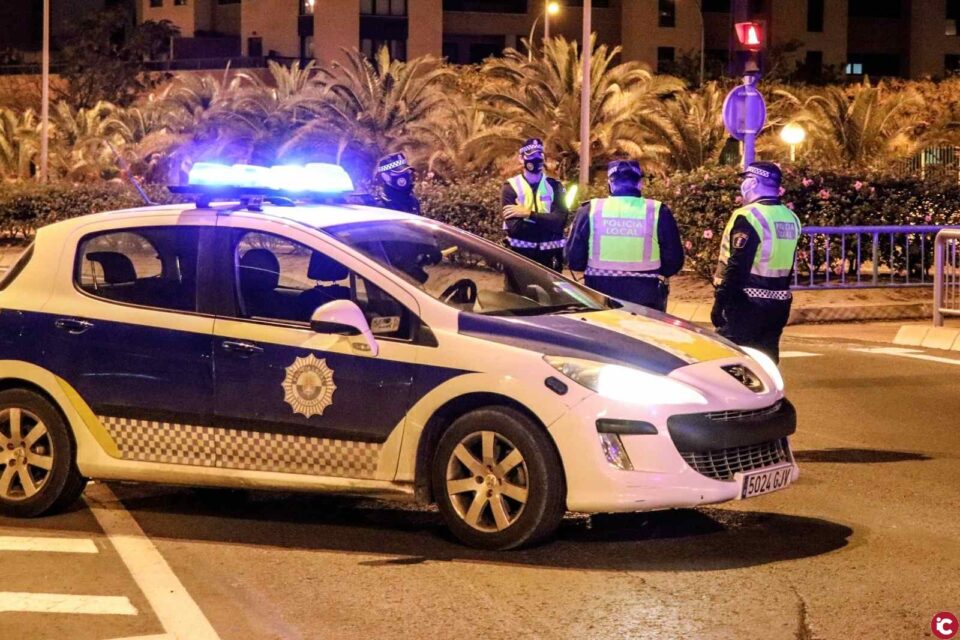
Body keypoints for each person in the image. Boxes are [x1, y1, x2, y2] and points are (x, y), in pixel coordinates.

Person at [711, 161, 802, 363]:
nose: (743, 184)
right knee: (767, 363)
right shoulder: (791, 217)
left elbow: (737, 266)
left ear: (753, 182)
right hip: (779, 303)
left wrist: (721, 303)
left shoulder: (749, 216)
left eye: (745, 179)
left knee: (734, 363)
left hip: (746, 304)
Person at [565, 160, 684, 312]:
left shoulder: (591, 210)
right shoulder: (657, 211)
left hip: (599, 294)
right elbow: (674, 260)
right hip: (646, 295)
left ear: (610, 183)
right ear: (640, 183)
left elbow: (574, 259)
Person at [501, 138, 568, 271]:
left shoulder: (555, 185)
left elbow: (560, 220)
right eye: (531, 154)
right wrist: (548, 222)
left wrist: (528, 214)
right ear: (521, 158)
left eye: (539, 154)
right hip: (519, 258)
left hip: (551, 259)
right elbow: (515, 228)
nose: (536, 158)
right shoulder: (510, 187)